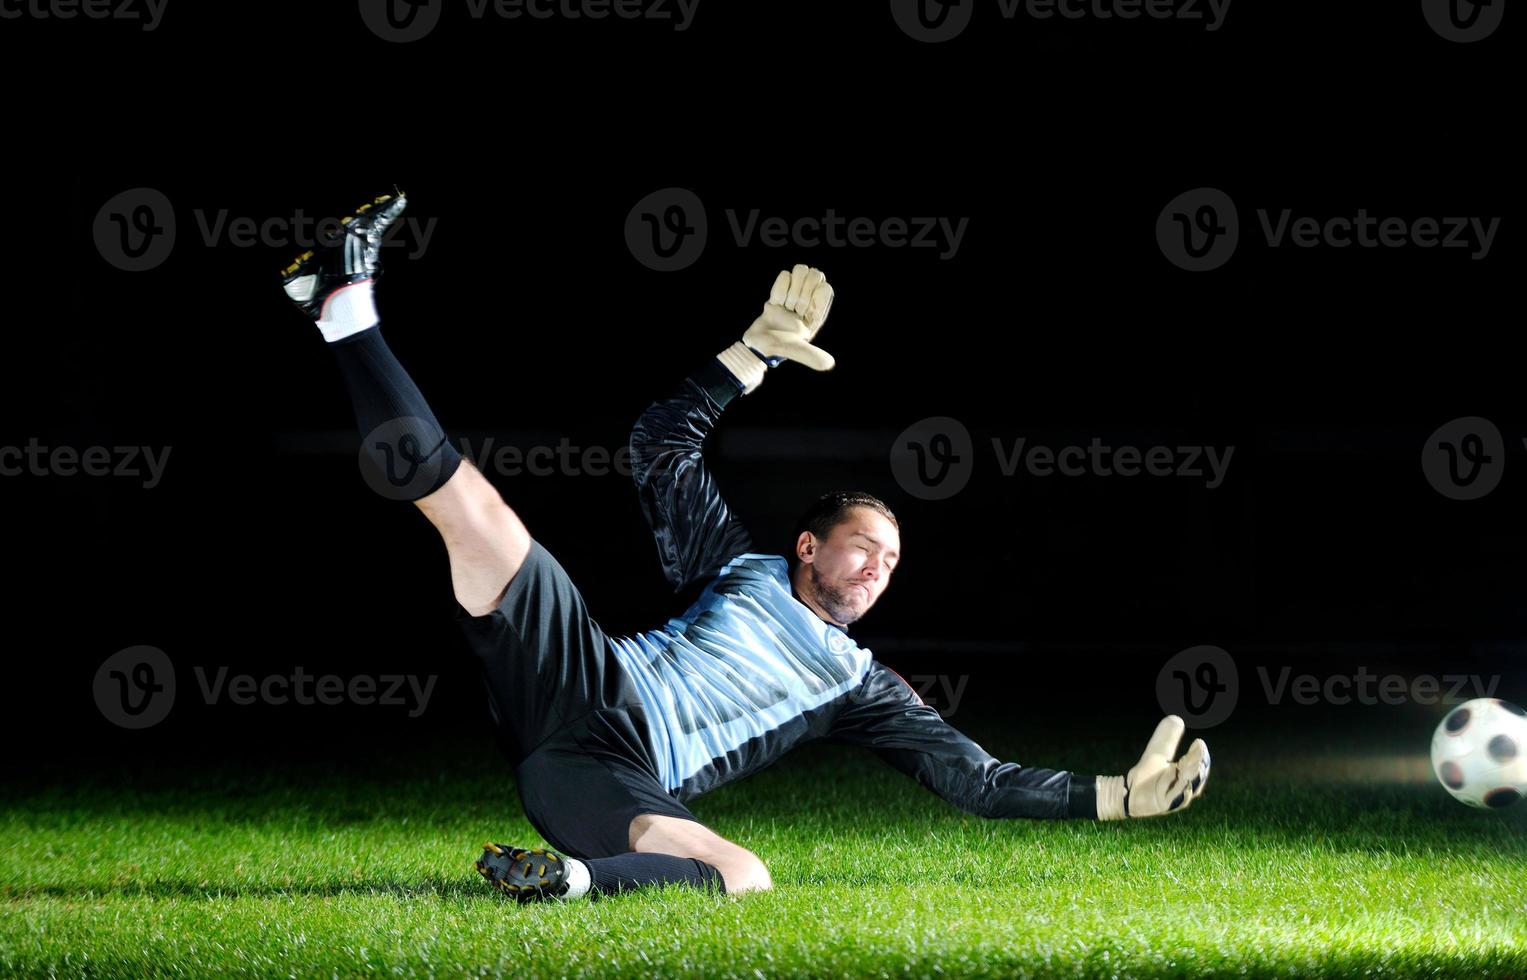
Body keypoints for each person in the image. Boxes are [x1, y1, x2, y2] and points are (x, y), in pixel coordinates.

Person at [280, 193, 1211, 902]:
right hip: (587, 680)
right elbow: (659, 442)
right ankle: (342, 306)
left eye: (892, 561)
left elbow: (979, 781)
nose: (878, 566)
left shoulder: (859, 683)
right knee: (469, 505)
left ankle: (560, 882)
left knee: (741, 874)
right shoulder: (737, 569)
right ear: (806, 546)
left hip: (603, 778)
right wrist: (751, 354)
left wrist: (1114, 798)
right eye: (862, 546)